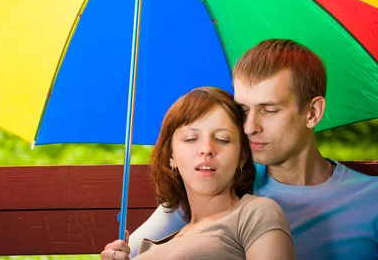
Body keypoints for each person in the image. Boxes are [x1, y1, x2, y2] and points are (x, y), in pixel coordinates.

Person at [105, 39, 378, 259]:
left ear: (312, 112)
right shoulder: (221, 180)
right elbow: (131, 249)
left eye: (269, 110)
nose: (249, 127)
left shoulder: (370, 198)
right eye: (243, 110)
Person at [101, 86, 294, 259]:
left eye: (222, 139)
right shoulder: (152, 244)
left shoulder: (255, 213)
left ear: (242, 156)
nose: (207, 148)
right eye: (191, 138)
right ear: (171, 156)